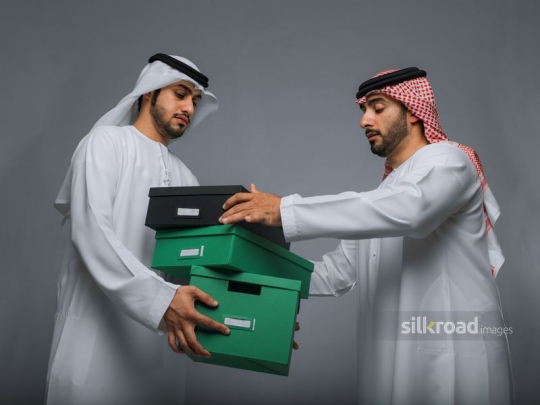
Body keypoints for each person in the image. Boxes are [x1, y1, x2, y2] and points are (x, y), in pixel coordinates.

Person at [219, 67, 513, 404]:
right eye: (363, 110)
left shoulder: (449, 161)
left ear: (413, 111)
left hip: (451, 352)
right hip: (392, 358)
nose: (364, 121)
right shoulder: (385, 193)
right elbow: (334, 275)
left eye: (377, 107)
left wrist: (284, 210)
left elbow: (412, 211)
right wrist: (249, 262)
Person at [45, 53, 230, 405]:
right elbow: (92, 233)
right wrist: (162, 300)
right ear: (149, 91)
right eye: (180, 94)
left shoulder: (188, 178)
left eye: (195, 100)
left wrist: (263, 313)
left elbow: (193, 269)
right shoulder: (105, 143)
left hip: (161, 355)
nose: (189, 108)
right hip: (95, 343)